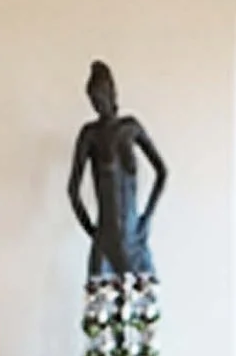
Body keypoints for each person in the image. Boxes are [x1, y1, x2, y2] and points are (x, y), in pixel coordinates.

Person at [66, 60, 167, 279]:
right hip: (105, 239)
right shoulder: (90, 134)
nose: (97, 104)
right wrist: (92, 231)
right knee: (102, 309)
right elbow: (72, 190)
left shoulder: (131, 127)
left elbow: (162, 172)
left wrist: (147, 218)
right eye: (92, 100)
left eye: (100, 97)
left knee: (143, 307)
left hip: (134, 235)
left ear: (111, 93)